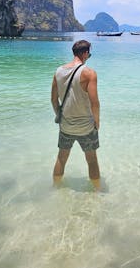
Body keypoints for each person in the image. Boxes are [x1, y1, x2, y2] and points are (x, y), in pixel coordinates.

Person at [51, 39, 101, 189]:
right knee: (91, 159)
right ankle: (97, 192)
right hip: (86, 126)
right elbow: (95, 103)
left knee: (62, 157)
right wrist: (97, 122)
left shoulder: (58, 71)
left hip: (66, 125)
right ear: (85, 53)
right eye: (89, 54)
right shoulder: (89, 73)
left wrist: (60, 116)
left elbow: (53, 99)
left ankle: (56, 188)